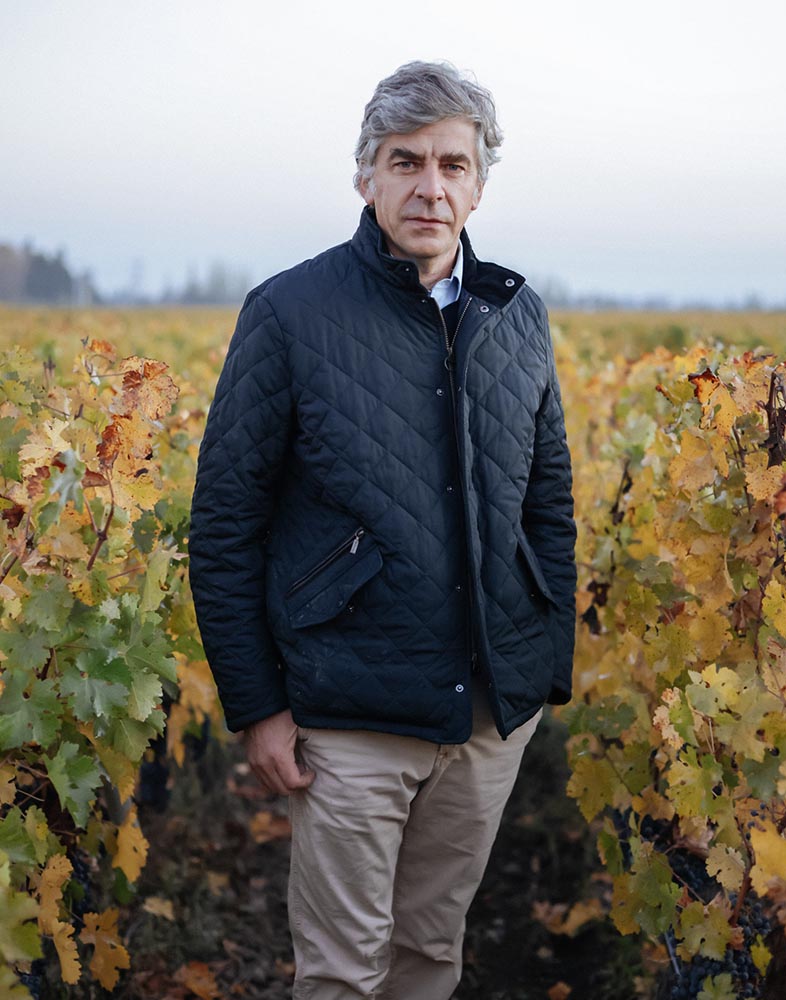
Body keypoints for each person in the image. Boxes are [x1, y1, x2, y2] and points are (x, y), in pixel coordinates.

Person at [189, 60, 577, 1000]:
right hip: (349, 711)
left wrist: (543, 666)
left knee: (429, 958)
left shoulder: (517, 315)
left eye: (453, 164)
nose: (430, 187)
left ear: (481, 182)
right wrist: (258, 707)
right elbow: (225, 522)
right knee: (340, 973)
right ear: (366, 175)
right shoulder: (289, 312)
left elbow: (549, 504)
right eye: (406, 161)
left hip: (487, 718)